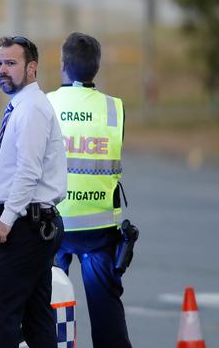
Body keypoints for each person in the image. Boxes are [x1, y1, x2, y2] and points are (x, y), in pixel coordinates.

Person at [48, 32, 132, 347]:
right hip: (98, 229)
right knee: (106, 311)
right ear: (95, 67)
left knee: (49, 304)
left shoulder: (46, 104)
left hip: (52, 226)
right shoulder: (114, 109)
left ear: (63, 64)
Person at [0, 36, 67, 348]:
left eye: (11, 63)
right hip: (34, 225)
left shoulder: (31, 109)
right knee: (36, 319)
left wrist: (5, 220)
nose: (2, 70)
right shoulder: (23, 105)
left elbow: (28, 171)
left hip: (25, 227)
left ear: (32, 68)